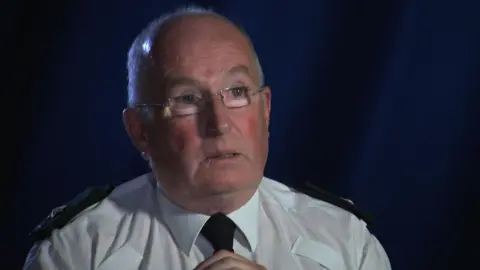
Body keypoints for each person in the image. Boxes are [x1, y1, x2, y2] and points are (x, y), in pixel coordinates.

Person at [23, 5, 391, 270]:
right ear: (139, 130)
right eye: (187, 99)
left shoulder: (345, 243)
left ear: (265, 110)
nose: (219, 124)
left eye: (236, 92)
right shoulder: (77, 252)